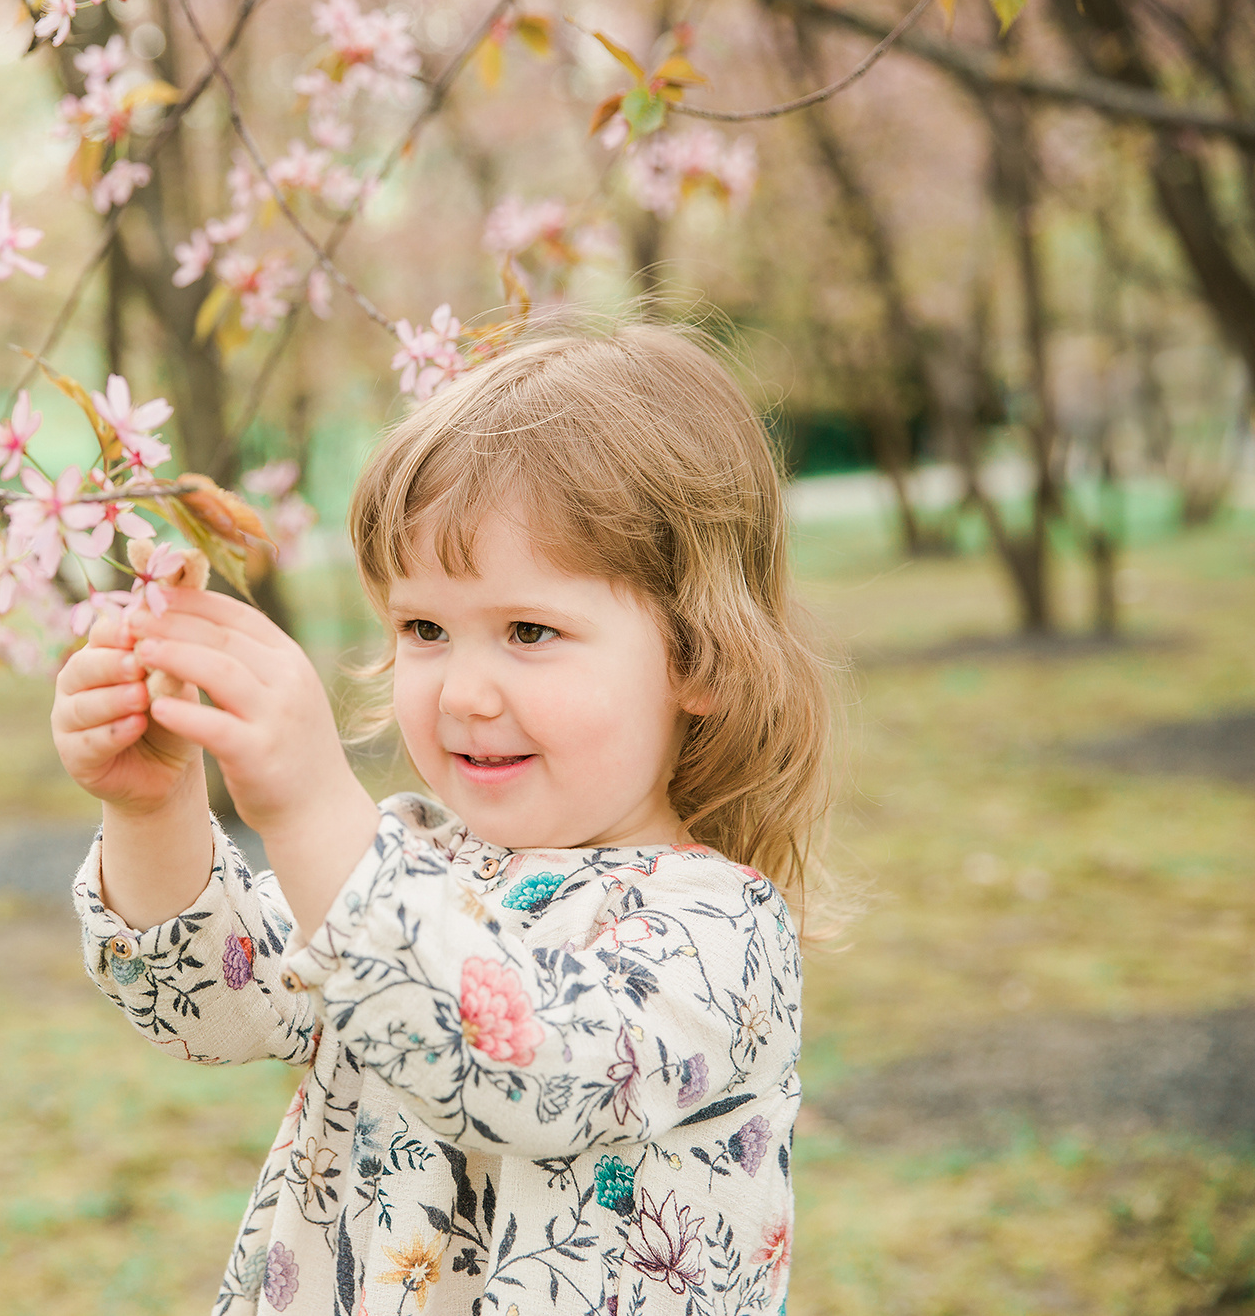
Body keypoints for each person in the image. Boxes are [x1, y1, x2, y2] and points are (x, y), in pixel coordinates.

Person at [50, 325, 836, 1316]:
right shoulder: (415, 862)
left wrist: (307, 804)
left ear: (699, 659)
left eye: (528, 631)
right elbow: (215, 1004)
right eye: (424, 628)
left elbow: (514, 1065)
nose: (463, 690)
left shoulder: (718, 932)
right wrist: (153, 802)